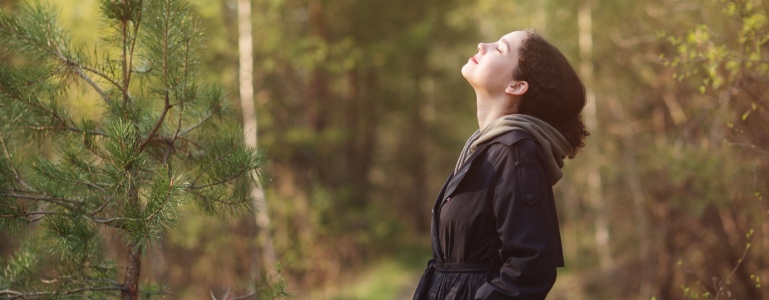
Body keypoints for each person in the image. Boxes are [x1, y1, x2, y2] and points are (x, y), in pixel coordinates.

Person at [413, 29, 589, 300]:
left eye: (501, 48)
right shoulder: (486, 150)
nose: (483, 45)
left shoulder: (516, 152)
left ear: (517, 86)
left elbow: (531, 267)